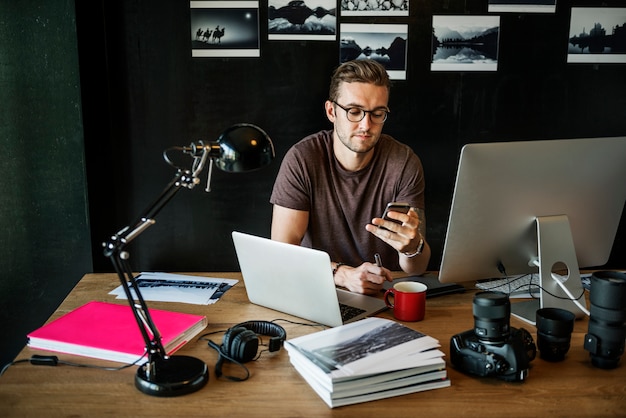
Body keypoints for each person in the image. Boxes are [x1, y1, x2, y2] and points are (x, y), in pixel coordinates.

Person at [270, 59, 431, 295]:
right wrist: (343, 274)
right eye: (354, 112)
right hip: (316, 289)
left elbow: (416, 268)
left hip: (382, 295)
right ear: (331, 111)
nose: (366, 125)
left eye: (377, 113)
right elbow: (281, 255)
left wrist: (411, 247)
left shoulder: (404, 162)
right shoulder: (302, 159)